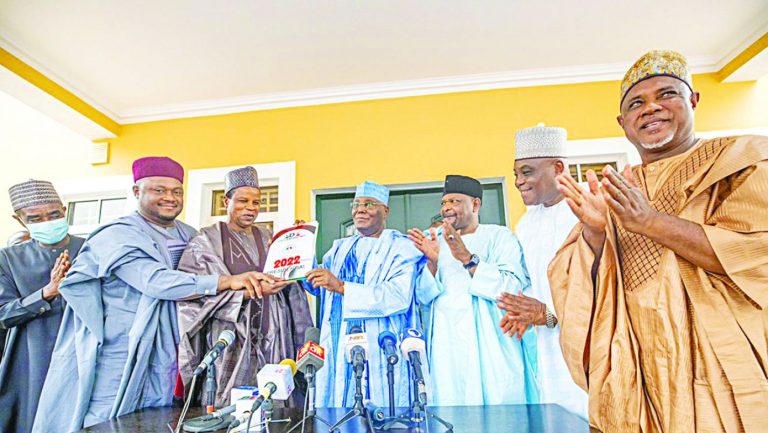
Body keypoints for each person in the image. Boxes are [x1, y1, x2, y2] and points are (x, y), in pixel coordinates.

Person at [551, 50, 768, 432]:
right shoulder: (617, 188)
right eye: (636, 103)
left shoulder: (739, 160)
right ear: (623, 122)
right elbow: (578, 287)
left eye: (666, 94)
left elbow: (755, 254)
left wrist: (650, 222)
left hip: (717, 363)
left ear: (693, 100)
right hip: (637, 366)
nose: (651, 108)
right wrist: (596, 232)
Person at [32, 157, 275, 432]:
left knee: (161, 416)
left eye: (177, 191)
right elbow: (154, 281)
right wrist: (227, 281)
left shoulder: (189, 234)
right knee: (111, 418)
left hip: (174, 346)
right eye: (159, 190)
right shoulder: (117, 235)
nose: (170, 198)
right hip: (123, 347)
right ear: (137, 192)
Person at [177, 166, 312, 407]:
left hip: (273, 333)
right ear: (226, 201)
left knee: (274, 400)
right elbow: (192, 293)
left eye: (256, 202)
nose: (251, 208)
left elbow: (290, 278)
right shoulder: (206, 241)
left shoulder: (269, 238)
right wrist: (246, 294)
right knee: (229, 404)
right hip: (230, 336)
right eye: (243, 201)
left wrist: (296, 245)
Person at [408, 175, 538, 406]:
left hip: (491, 344)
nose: (447, 208)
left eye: (455, 201)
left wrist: (467, 258)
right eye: (444, 202)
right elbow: (423, 297)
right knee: (452, 406)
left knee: (500, 411)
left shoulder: (499, 236)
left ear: (475, 204)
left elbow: (512, 287)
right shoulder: (436, 241)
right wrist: (433, 262)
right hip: (447, 345)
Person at [304, 181, 425, 408]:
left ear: (385, 211)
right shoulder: (339, 249)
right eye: (356, 204)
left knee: (381, 411)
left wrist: (342, 287)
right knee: (337, 411)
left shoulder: (402, 248)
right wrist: (299, 250)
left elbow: (398, 296)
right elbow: (317, 287)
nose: (360, 209)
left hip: (379, 343)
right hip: (338, 342)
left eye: (369, 204)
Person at [496, 124, 587, 418]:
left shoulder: (588, 208)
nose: (518, 182)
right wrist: (524, 311)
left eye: (527, 172)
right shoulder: (526, 222)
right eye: (516, 174)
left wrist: (548, 313)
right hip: (548, 346)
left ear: (558, 167)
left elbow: (603, 281)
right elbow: (531, 280)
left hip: (591, 346)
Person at [0, 180, 85, 433]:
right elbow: (3, 314)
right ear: (19, 220)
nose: (47, 221)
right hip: (31, 358)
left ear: (65, 210)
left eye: (54, 214)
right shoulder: (8, 259)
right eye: (35, 218)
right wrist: (47, 293)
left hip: (84, 352)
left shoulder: (90, 249)